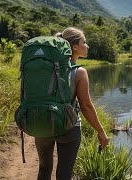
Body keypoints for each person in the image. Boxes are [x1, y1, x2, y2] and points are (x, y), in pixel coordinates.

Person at [35, 27, 109, 180]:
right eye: (84, 42)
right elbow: (86, 106)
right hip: (68, 127)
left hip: (42, 124)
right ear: (74, 47)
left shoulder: (45, 67)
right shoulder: (79, 72)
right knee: (64, 173)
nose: (87, 46)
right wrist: (100, 131)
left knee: (44, 169)